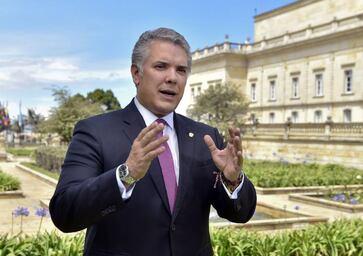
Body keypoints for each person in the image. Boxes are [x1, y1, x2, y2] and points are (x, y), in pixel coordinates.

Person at [49, 27, 256, 256]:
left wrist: (232, 180)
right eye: (160, 67)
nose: (172, 77)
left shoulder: (205, 137)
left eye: (181, 70)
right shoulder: (95, 132)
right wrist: (126, 175)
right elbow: (64, 213)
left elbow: (240, 213)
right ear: (136, 74)